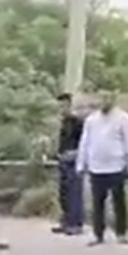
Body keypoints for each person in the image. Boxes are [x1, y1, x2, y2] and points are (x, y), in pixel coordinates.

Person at [76, 90, 128, 246]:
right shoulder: (92, 120)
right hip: (96, 166)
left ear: (113, 100)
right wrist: (81, 163)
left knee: (119, 201)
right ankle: (98, 234)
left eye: (108, 98)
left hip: (116, 166)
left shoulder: (123, 119)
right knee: (98, 202)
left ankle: (121, 233)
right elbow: (85, 143)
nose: (104, 101)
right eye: (102, 98)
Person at [53, 93, 85, 235]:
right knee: (64, 193)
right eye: (60, 106)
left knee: (74, 193)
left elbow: (84, 142)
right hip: (63, 160)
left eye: (64, 105)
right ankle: (66, 221)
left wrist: (76, 153)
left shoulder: (77, 122)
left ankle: (76, 223)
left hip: (74, 160)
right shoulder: (63, 122)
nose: (62, 109)